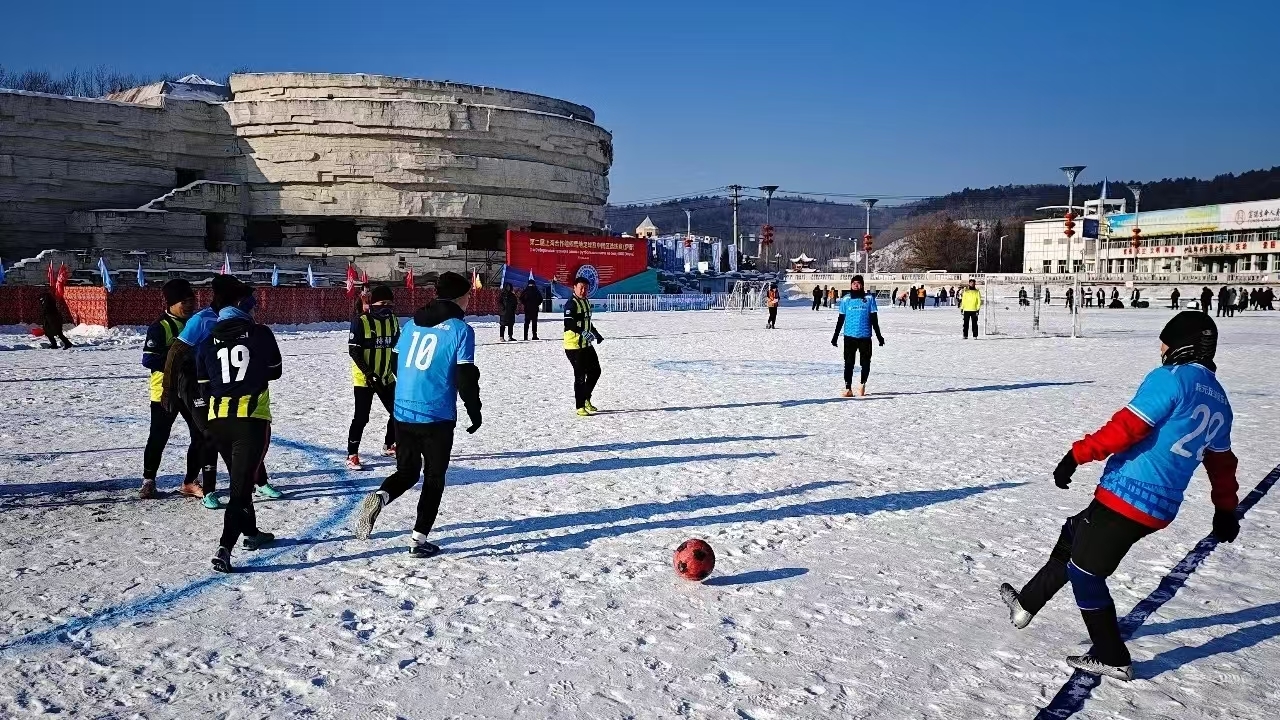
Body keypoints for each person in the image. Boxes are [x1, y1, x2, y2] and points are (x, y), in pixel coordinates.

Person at [1000, 312, 1239, 681]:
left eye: (1165, 341)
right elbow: (1222, 462)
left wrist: (1076, 455)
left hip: (1129, 495)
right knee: (1073, 534)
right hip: (1159, 504)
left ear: (1180, 344)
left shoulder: (1172, 378)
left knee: (1085, 573)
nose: (1160, 349)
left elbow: (1127, 429)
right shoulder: (1220, 398)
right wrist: (1226, 509)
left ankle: (1112, 657)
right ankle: (1026, 603)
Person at [354, 272, 481, 558]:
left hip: (403, 412)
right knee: (434, 478)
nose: (470, 299)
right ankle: (418, 540)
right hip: (436, 416)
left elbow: (397, 363)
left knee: (407, 472)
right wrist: (475, 410)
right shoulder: (461, 330)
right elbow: (465, 378)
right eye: (468, 295)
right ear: (460, 297)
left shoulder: (411, 325)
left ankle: (380, 497)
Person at [162, 276, 283, 507]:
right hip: (197, 384)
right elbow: (175, 353)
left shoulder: (240, 320)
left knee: (245, 428)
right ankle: (208, 490)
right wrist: (168, 391)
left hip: (227, 384)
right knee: (210, 434)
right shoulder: (201, 319)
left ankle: (259, 481)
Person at [196, 277, 283, 572]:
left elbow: (204, 386)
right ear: (240, 304)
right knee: (240, 490)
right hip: (251, 421)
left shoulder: (207, 340)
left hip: (217, 422)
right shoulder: (260, 333)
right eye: (251, 303)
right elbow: (275, 372)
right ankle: (224, 548)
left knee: (240, 479)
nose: (255, 308)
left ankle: (252, 533)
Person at [140, 279, 203, 500]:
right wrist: (177, 364)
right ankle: (148, 480)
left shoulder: (196, 323)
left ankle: (190, 481)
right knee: (158, 436)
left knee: (200, 434)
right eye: (184, 302)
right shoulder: (160, 327)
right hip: (164, 392)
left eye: (191, 301)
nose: (189, 305)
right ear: (171, 303)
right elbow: (148, 360)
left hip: (192, 392)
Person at [347, 285, 400, 471]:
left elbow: (396, 349)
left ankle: (389, 445)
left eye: (389, 303)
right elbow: (353, 350)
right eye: (382, 303)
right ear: (373, 303)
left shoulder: (393, 320)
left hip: (385, 376)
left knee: (397, 412)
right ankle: (352, 454)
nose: (386, 307)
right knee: (361, 418)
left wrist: (397, 373)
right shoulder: (361, 321)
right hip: (365, 378)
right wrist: (369, 374)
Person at [831, 275, 884, 397]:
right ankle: (848, 387)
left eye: (858, 283)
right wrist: (835, 336)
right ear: (850, 285)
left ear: (862, 285)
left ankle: (862, 383)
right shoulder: (846, 299)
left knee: (865, 362)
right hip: (849, 336)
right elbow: (841, 319)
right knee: (848, 362)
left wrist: (879, 336)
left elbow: (874, 319)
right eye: (854, 283)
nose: (856, 285)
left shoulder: (869, 299)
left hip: (865, 336)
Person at [564, 277, 605, 416]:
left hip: (586, 345)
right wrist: (582, 332)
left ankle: (586, 397)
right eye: (581, 287)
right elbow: (569, 324)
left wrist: (596, 334)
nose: (583, 290)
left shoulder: (586, 302)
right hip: (574, 346)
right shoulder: (571, 304)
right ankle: (579, 406)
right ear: (574, 287)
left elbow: (588, 322)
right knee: (580, 375)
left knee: (595, 371)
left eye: (586, 288)